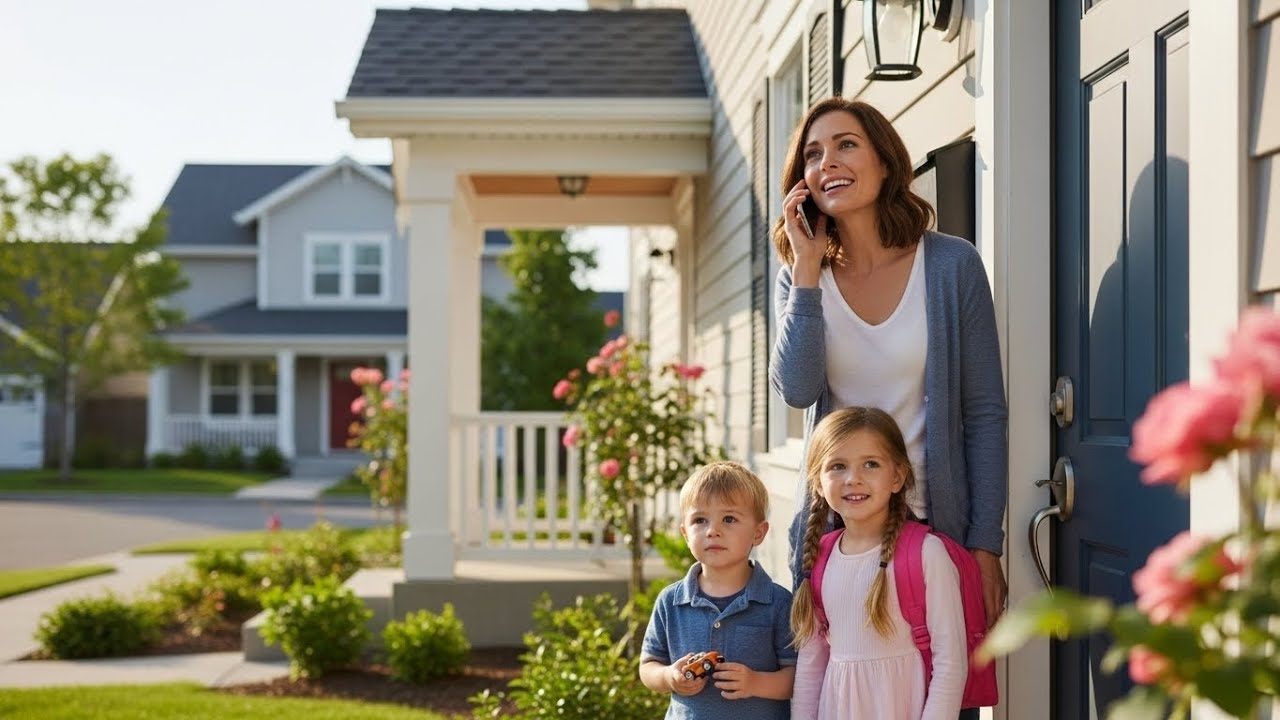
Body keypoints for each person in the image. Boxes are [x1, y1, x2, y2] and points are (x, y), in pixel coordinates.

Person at [768, 97, 1008, 641]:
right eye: (813, 153)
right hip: (836, 533)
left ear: (884, 162)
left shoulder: (951, 265)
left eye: (846, 145)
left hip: (935, 528)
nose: (827, 161)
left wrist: (984, 544)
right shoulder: (800, 277)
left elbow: (985, 414)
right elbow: (798, 391)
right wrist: (807, 271)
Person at [791, 406, 967, 719]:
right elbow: (810, 663)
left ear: (897, 476)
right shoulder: (820, 558)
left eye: (871, 464)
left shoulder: (926, 553)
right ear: (817, 482)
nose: (853, 479)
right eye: (837, 466)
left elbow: (951, 662)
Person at [640, 461, 797, 719]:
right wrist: (670, 677)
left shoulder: (778, 602)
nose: (713, 530)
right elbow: (648, 667)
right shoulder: (671, 602)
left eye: (729, 519)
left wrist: (756, 682)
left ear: (758, 533)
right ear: (685, 534)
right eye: (700, 520)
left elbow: (799, 676)